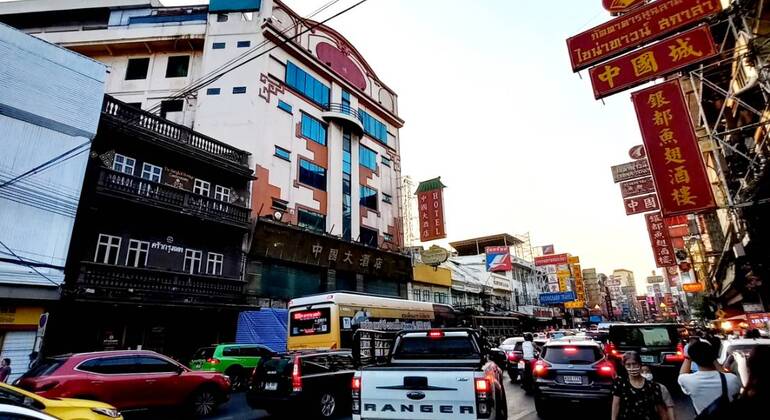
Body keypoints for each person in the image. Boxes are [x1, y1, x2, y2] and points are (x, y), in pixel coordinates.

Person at [678, 340, 741, 415]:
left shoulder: (688, 381)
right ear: (713, 357)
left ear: (693, 359)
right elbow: (723, 373)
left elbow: (682, 374)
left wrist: (688, 358)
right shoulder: (732, 379)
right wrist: (713, 358)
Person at [612, 351, 667, 420]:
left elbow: (661, 410)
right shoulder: (620, 383)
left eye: (634, 364)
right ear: (624, 366)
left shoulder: (652, 386)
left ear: (640, 364)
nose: (632, 367)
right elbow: (616, 405)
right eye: (628, 365)